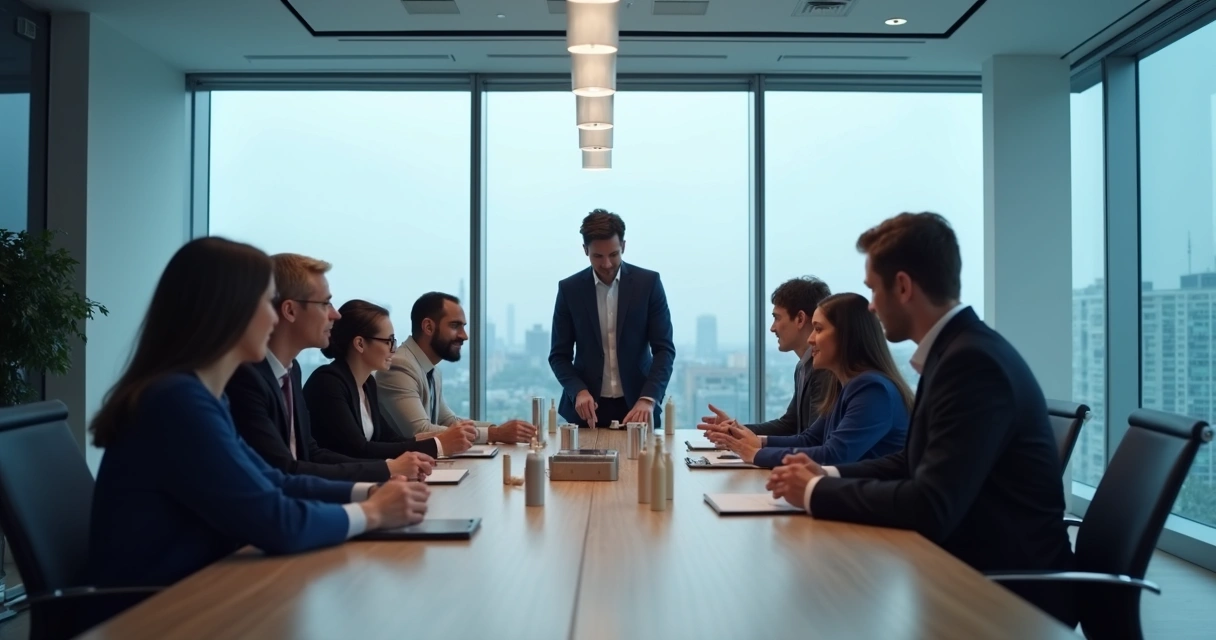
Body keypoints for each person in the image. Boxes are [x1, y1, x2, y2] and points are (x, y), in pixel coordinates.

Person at [765, 212, 1075, 626]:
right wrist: (826, 473)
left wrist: (815, 492)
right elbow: (911, 461)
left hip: (1000, 592)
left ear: (904, 287)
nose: (871, 306)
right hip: (965, 562)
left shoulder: (971, 363)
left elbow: (930, 504)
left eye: (873, 289)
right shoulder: (956, 351)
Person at [88, 237, 429, 593]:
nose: (274, 315)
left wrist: (369, 492)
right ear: (228, 310)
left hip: (198, 588)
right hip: (153, 610)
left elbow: (276, 481)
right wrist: (373, 513)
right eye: (266, 302)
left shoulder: (200, 396)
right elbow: (276, 519)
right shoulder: (177, 402)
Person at [226, 253, 432, 482]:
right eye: (325, 303)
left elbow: (311, 454)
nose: (335, 314)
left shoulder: (292, 372)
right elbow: (284, 472)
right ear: (290, 311)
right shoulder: (249, 379)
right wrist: (387, 471)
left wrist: (384, 475)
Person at [701, 292, 910, 468]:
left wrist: (755, 453)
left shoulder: (872, 390)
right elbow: (811, 439)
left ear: (846, 336)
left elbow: (833, 456)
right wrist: (752, 440)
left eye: (818, 329)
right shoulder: (844, 384)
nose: (811, 339)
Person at [549, 209, 676, 428]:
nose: (607, 264)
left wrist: (649, 398)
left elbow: (664, 350)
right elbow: (559, 356)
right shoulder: (570, 290)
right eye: (598, 256)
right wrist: (578, 391)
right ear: (585, 250)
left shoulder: (649, 284)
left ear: (623, 247)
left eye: (614, 254)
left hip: (639, 407)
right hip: (586, 412)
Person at [377, 292, 536, 447]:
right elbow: (421, 431)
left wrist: (498, 429)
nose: (464, 336)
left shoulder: (431, 370)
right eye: (455, 326)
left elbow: (449, 421)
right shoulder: (400, 366)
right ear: (428, 327)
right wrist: (496, 434)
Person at [302, 300, 438, 474]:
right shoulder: (328, 382)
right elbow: (359, 449)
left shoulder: (367, 383)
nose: (393, 350)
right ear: (360, 344)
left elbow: (390, 439)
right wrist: (438, 445)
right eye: (388, 341)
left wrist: (435, 442)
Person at [699, 276, 834, 436]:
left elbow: (813, 440)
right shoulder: (803, 367)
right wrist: (735, 429)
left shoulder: (824, 370)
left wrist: (758, 445)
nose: (772, 328)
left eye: (777, 318)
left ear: (800, 319)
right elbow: (789, 425)